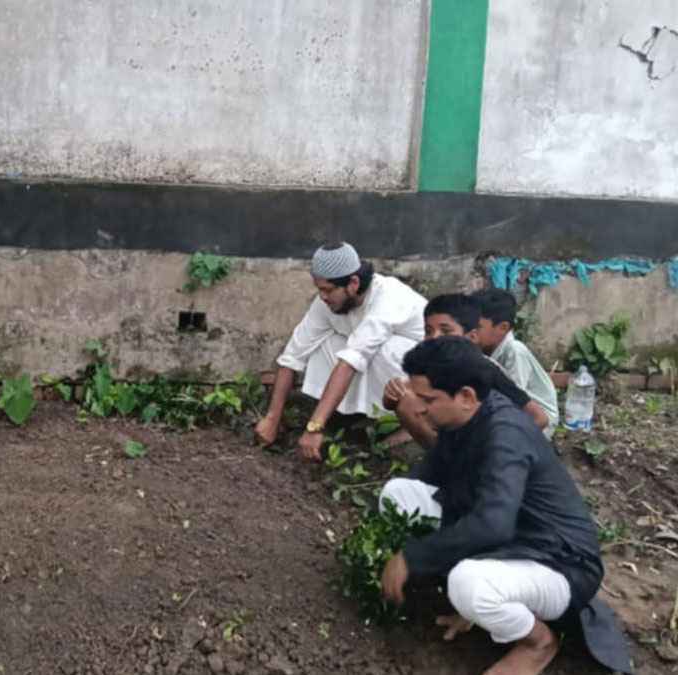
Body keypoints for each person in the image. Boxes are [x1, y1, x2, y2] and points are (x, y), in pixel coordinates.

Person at [378, 337, 631, 675]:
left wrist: (412, 557)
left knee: (467, 584)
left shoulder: (505, 434)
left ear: (466, 396)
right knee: (398, 495)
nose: (420, 408)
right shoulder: (461, 420)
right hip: (509, 540)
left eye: (427, 399)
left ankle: (537, 641)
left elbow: (494, 524)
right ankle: (481, 602)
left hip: (558, 562)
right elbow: (437, 477)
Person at [254, 242, 426, 460]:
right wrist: (272, 418)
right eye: (319, 289)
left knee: (380, 350)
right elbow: (292, 357)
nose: (322, 296)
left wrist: (313, 428)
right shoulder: (326, 303)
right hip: (385, 374)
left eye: (327, 290)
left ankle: (411, 423)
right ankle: (349, 418)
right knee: (324, 343)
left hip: (429, 375)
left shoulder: (387, 298)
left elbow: (350, 362)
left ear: (353, 283)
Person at [383, 293, 550, 448]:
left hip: (488, 441)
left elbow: (539, 418)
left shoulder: (484, 369)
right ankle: (441, 457)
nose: (434, 337)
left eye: (446, 331)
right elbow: (393, 402)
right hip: (458, 437)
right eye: (428, 331)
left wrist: (500, 449)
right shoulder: (429, 365)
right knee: (407, 400)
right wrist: (392, 394)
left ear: (471, 337)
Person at [471, 289, 560, 436]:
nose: (471, 331)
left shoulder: (514, 351)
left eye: (478, 327)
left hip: (538, 419)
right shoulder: (482, 346)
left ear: (503, 328)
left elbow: (515, 398)